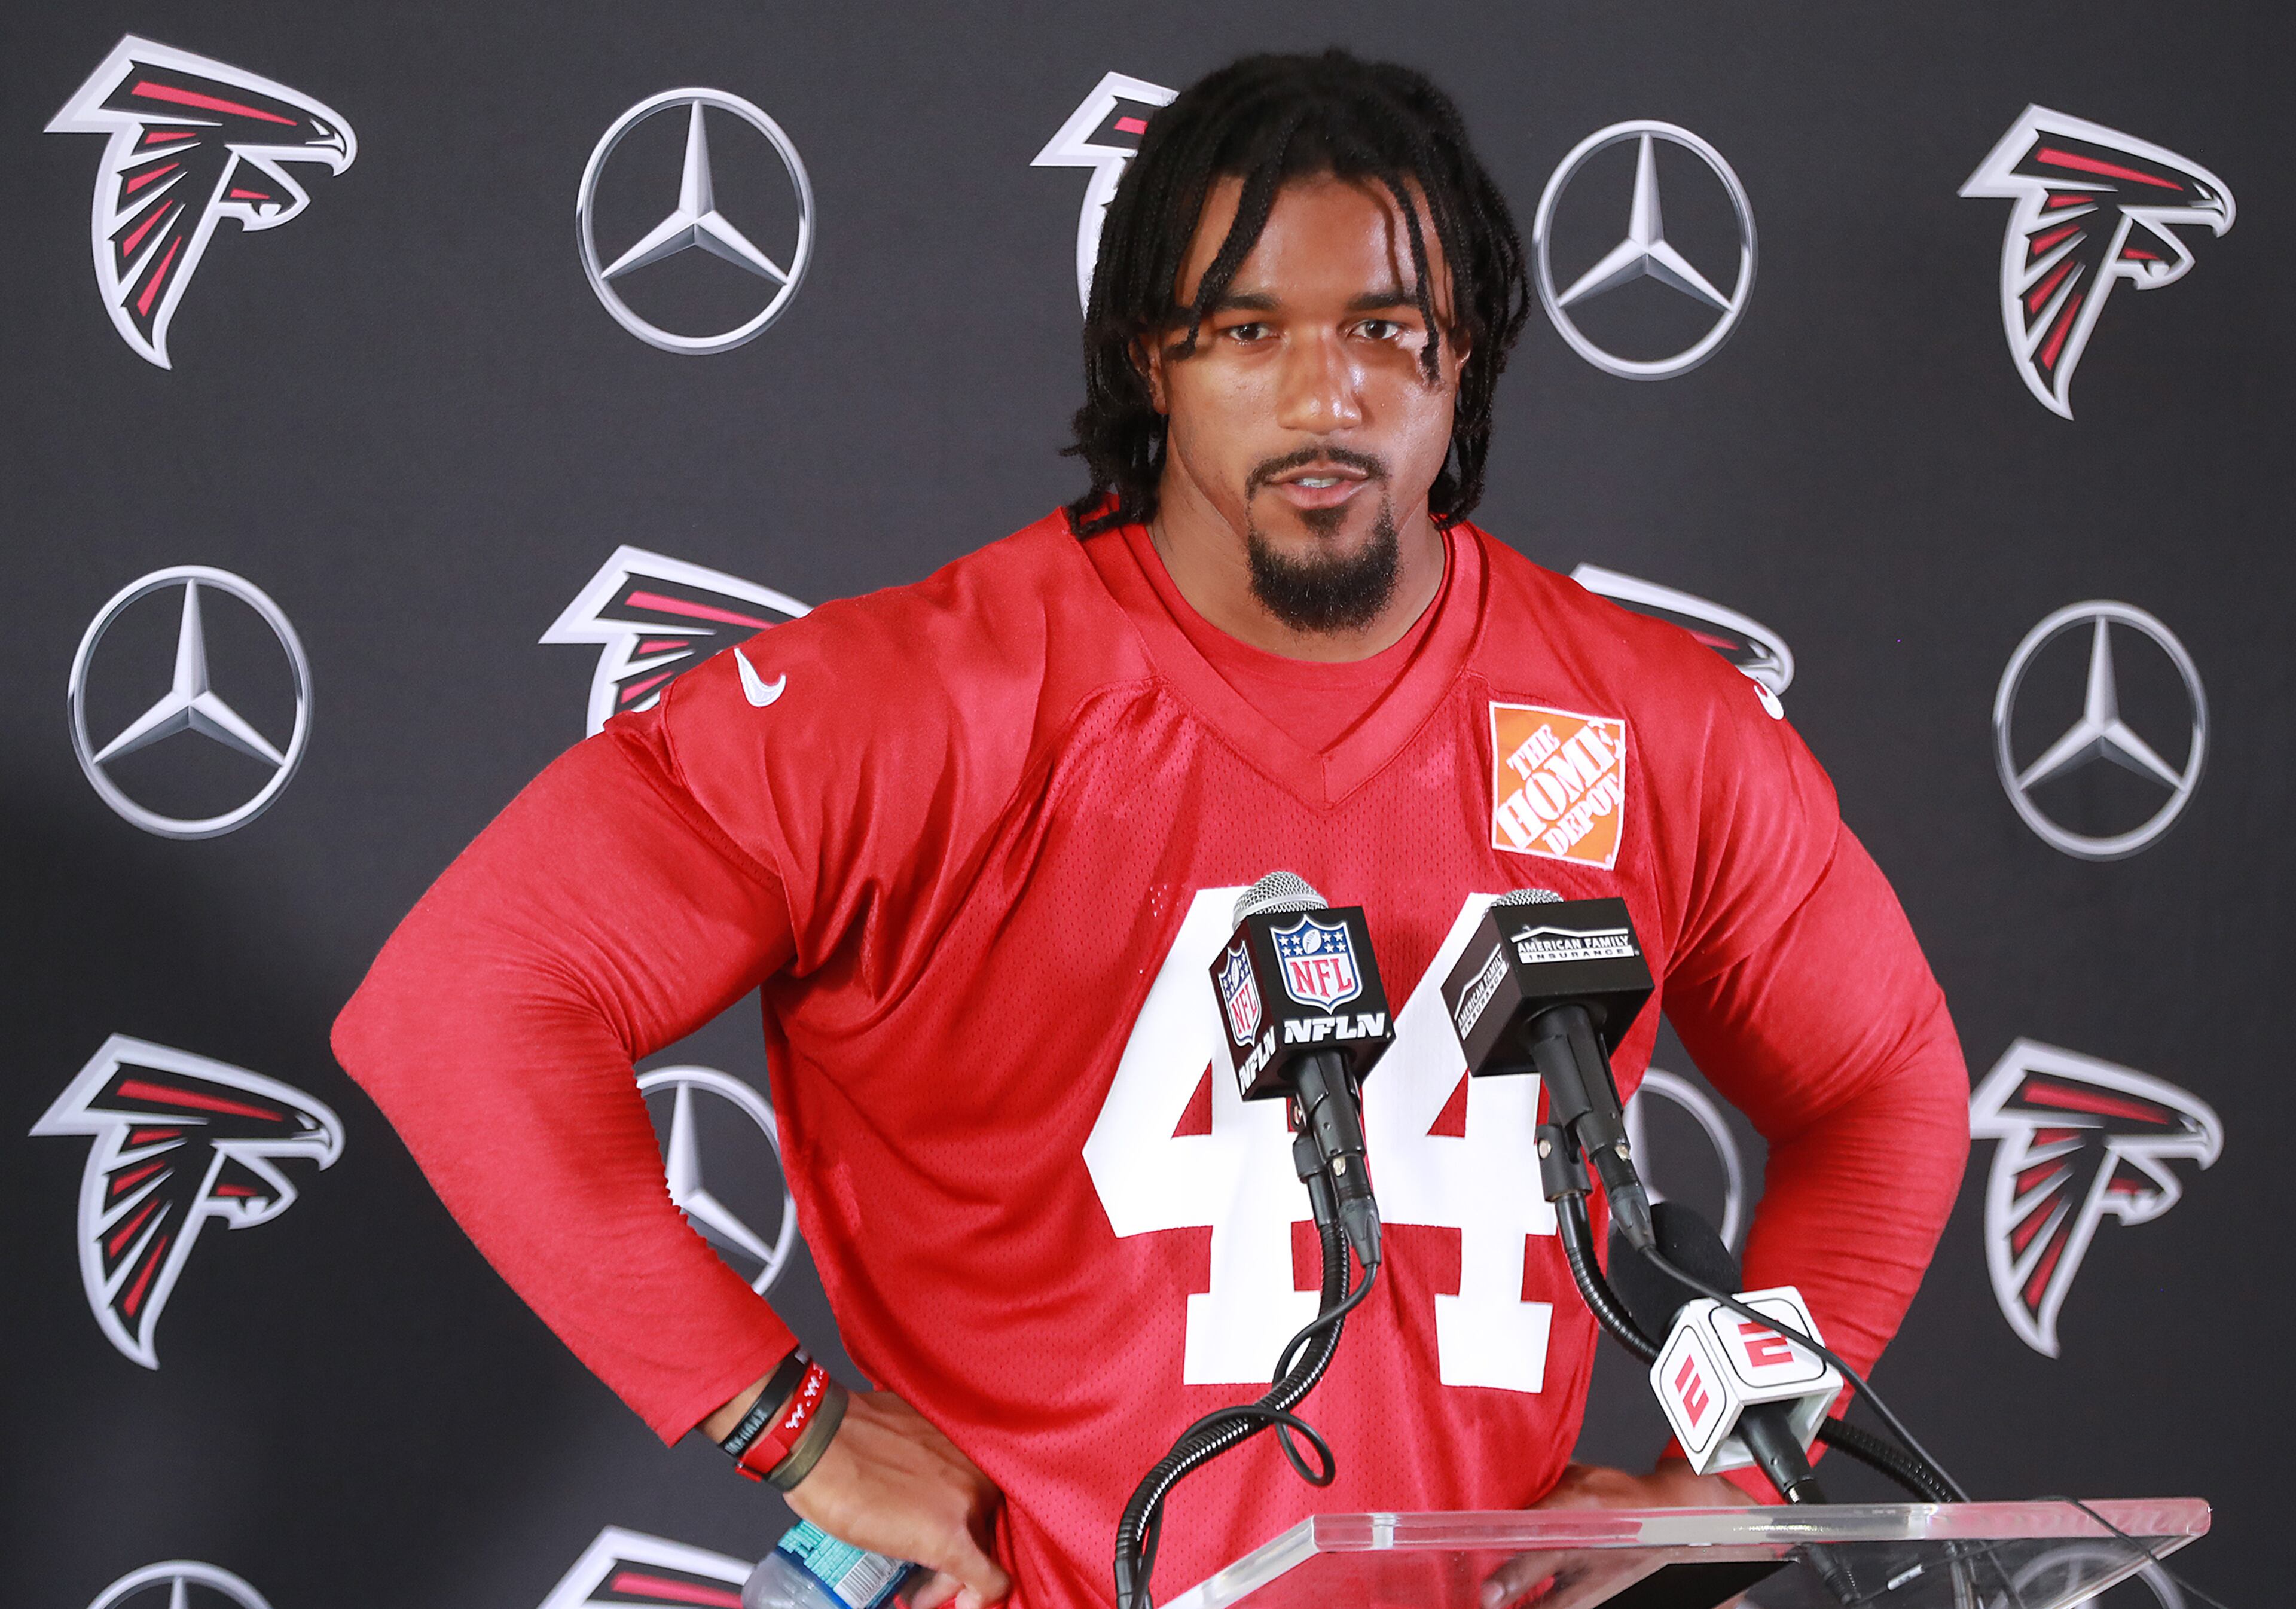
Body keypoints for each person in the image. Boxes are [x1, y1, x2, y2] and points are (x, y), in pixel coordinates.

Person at [333, 49, 1967, 1609]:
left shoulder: (1651, 728)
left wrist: (1748, 1458)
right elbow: (471, 999)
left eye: (1388, 329)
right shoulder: (922, 702)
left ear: (1460, 360)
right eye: (1249, 330)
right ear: (1147, 356)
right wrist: (786, 1419)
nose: (1326, 396)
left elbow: (1879, 1078)